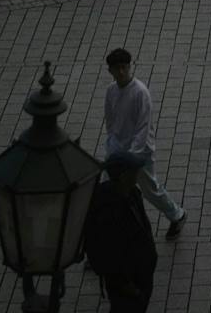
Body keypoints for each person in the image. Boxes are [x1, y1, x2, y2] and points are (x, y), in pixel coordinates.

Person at [103, 48, 187, 240]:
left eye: (124, 67)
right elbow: (111, 121)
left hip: (139, 154)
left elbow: (143, 127)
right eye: (117, 68)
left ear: (129, 67)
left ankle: (177, 215)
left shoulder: (140, 93)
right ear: (111, 71)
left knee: (150, 190)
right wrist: (112, 146)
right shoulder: (111, 91)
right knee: (110, 189)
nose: (121, 72)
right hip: (119, 151)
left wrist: (132, 155)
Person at [83, 153, 159, 313]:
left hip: (141, 276)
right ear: (124, 176)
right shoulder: (107, 211)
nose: (138, 174)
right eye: (134, 171)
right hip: (127, 284)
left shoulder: (132, 193)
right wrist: (128, 286)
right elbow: (109, 254)